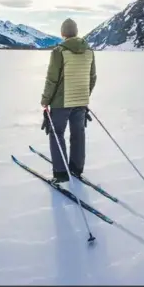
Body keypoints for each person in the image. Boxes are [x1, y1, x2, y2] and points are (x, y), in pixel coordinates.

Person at [41, 18, 97, 183]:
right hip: (80, 101)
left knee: (56, 134)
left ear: (63, 33)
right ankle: (76, 168)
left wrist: (45, 100)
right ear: (76, 32)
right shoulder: (89, 51)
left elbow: (52, 79)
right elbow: (92, 77)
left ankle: (61, 173)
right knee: (78, 134)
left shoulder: (59, 51)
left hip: (61, 102)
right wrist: (84, 95)